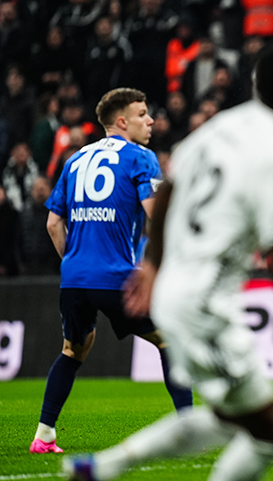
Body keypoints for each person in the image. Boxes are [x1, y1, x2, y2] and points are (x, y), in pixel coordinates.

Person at [63, 43, 273, 481]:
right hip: (204, 304)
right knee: (268, 432)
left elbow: (168, 190)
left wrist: (153, 264)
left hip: (177, 289)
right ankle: (102, 467)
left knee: (231, 419)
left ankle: (101, 467)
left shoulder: (218, 127)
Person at [30, 88, 193, 455]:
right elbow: (155, 216)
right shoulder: (141, 157)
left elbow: (53, 224)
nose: (150, 120)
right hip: (117, 277)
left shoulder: (75, 160)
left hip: (74, 279)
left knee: (72, 351)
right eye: (142, 114)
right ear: (122, 121)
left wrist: (75, 261)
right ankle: (188, 426)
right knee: (171, 339)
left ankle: (44, 435)